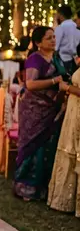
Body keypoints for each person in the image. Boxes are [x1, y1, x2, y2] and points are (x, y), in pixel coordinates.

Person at [13, 26, 66, 201]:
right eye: (48, 38)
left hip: (51, 110)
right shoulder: (34, 59)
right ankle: (25, 188)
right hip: (34, 110)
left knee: (46, 148)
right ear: (37, 43)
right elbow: (30, 84)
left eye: (53, 37)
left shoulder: (57, 58)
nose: (53, 40)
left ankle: (42, 188)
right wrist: (53, 80)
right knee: (32, 146)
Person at [48, 43, 80, 216]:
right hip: (74, 112)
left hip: (78, 113)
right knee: (70, 150)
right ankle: (65, 200)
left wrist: (67, 88)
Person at [55, 5, 80, 75]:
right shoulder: (76, 26)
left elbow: (55, 46)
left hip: (63, 60)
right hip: (76, 59)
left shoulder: (60, 28)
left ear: (60, 15)